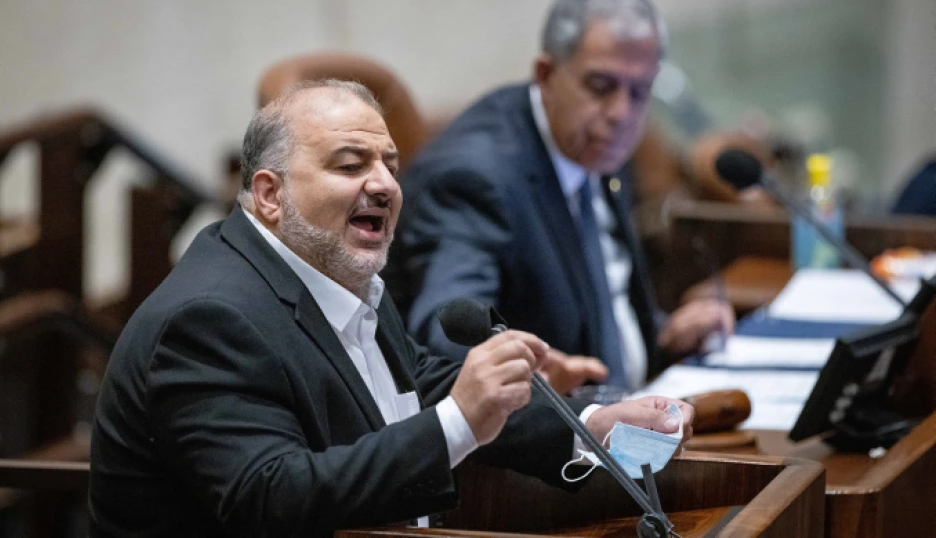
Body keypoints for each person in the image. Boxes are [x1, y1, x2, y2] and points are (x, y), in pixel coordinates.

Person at [89, 80, 694, 537]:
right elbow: (271, 497)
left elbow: (416, 387)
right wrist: (460, 419)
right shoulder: (208, 320)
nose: (383, 184)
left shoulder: (332, 272)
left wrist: (590, 426)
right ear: (270, 195)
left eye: (390, 166)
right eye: (351, 165)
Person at [387, 0, 734, 392]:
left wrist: (661, 336)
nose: (622, 113)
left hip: (639, 407)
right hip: (551, 440)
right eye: (601, 86)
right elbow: (450, 332)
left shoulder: (590, 142)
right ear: (547, 74)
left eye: (640, 92)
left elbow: (595, 296)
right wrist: (527, 373)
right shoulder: (475, 177)